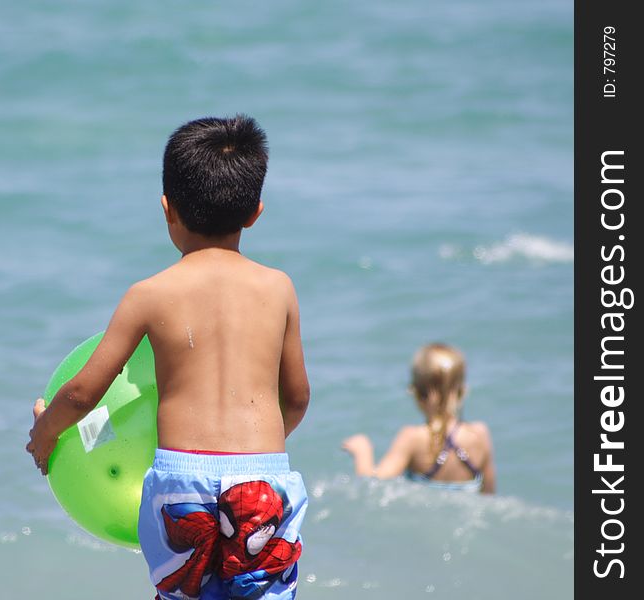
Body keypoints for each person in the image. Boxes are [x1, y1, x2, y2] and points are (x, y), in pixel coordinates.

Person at [26, 115, 311, 599]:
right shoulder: (278, 288)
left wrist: (44, 435)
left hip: (182, 480)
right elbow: (298, 398)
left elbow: (80, 394)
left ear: (167, 209)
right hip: (262, 477)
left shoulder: (150, 295)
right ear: (255, 212)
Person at [342, 343, 495, 493]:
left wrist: (362, 451)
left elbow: (373, 485)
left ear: (416, 393)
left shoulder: (412, 437)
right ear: (462, 391)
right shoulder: (480, 434)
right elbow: (488, 493)